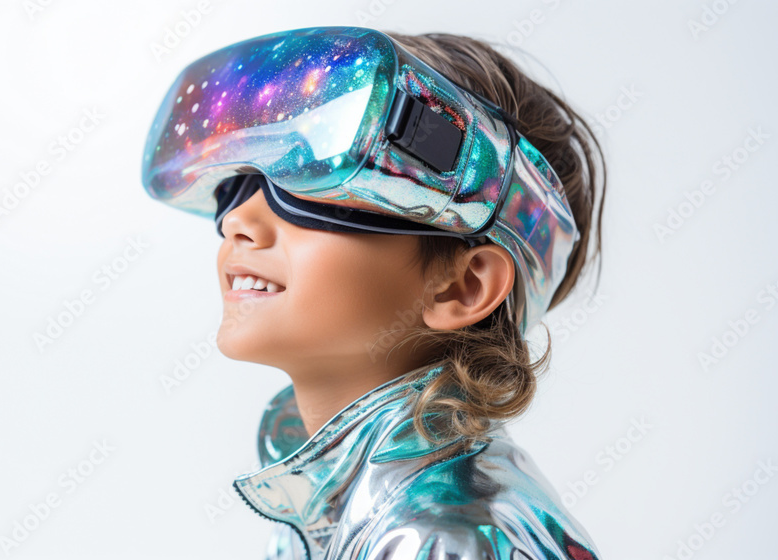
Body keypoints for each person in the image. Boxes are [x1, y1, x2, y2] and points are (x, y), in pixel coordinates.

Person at [142, 26, 607, 560]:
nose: (239, 222)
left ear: (461, 285)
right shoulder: (334, 513)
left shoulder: (448, 540)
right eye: (236, 185)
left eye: (309, 184)